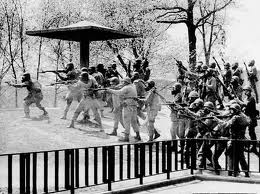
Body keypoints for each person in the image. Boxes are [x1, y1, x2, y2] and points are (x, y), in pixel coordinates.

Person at [107, 77, 141, 142]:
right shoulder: (132, 86)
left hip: (128, 106)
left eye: (123, 82)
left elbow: (119, 92)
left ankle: (126, 137)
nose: (122, 83)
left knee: (126, 122)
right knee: (134, 122)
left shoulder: (126, 87)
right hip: (133, 105)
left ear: (126, 82)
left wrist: (109, 90)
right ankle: (138, 135)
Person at [224, 103, 250, 177]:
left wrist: (218, 120)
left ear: (236, 110)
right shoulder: (243, 116)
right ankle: (246, 172)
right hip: (241, 139)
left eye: (232, 110)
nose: (231, 111)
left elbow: (226, 125)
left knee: (231, 156)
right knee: (241, 157)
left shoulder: (236, 117)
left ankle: (232, 172)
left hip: (235, 139)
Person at [236, 85, 258, 154]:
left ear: (249, 91)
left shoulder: (251, 98)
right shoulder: (246, 98)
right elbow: (243, 106)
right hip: (247, 117)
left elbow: (245, 105)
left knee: (251, 132)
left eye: (247, 90)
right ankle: (245, 145)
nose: (245, 92)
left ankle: (254, 147)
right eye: (245, 90)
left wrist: (238, 101)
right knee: (243, 131)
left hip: (251, 118)